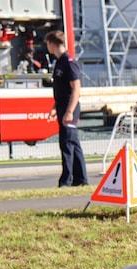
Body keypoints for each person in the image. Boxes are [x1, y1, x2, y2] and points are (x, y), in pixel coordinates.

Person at [44, 30, 88, 187]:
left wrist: (70, 111)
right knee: (73, 143)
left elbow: (75, 88)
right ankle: (81, 179)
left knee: (67, 143)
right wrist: (55, 108)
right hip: (63, 106)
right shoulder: (59, 62)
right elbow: (61, 89)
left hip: (70, 106)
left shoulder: (69, 62)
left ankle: (66, 180)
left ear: (51, 43)